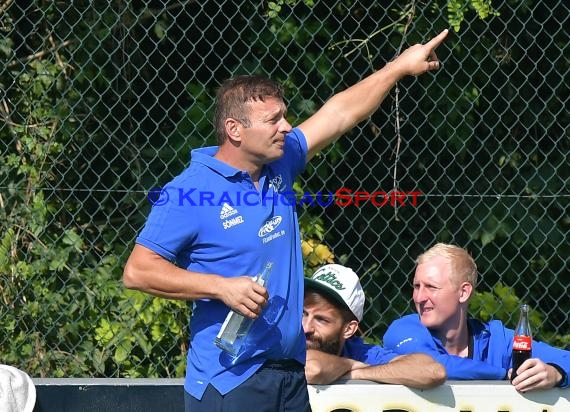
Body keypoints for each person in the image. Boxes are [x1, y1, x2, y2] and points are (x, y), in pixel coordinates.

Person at [123, 29, 449, 412]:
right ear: (235, 130)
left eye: (285, 116)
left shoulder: (280, 163)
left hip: (291, 375)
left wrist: (398, 68)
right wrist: (220, 287)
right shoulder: (188, 191)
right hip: (230, 380)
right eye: (273, 120)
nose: (287, 127)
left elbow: (339, 113)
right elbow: (138, 271)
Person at [383, 243, 570, 392]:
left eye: (431, 287)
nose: (419, 297)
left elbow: (565, 359)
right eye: (416, 286)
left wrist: (556, 374)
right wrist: (504, 375)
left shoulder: (497, 339)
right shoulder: (403, 330)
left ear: (463, 292)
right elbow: (434, 366)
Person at [303, 264, 446, 388]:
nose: (305, 328)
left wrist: (354, 371)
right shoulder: (283, 339)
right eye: (303, 314)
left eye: (321, 320)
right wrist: (351, 365)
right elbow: (314, 369)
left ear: (349, 329)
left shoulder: (360, 353)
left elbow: (433, 372)